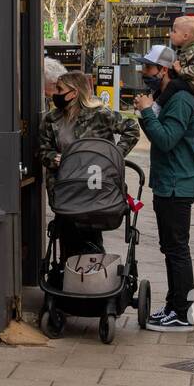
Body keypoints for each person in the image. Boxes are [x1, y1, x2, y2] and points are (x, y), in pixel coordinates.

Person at [132, 47, 194, 331]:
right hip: (168, 182)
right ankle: (173, 306)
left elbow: (167, 140)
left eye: (148, 68)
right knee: (170, 248)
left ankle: (182, 312)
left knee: (177, 249)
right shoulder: (167, 96)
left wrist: (147, 112)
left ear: (164, 70)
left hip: (177, 184)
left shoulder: (180, 100)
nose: (143, 73)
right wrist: (147, 112)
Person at [38, 70, 140, 256]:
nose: (56, 93)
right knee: (67, 237)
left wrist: (112, 156)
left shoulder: (99, 114)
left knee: (91, 235)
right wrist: (54, 158)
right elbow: (43, 151)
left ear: (74, 92)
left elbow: (131, 128)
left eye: (60, 89)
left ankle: (93, 276)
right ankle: (68, 274)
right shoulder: (51, 119)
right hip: (64, 188)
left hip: (94, 187)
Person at [169, 16, 194, 102]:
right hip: (189, 82)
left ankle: (157, 106)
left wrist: (180, 70)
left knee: (173, 84)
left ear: (185, 36)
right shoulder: (183, 50)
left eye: (174, 31)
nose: (170, 34)